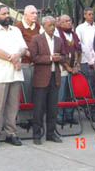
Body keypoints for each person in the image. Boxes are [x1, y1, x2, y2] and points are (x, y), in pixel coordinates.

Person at [0, 5, 27, 148]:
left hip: (15, 74)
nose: (7, 16)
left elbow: (23, 48)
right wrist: (13, 59)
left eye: (8, 13)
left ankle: (11, 133)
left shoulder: (15, 30)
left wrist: (17, 56)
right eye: (4, 14)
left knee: (13, 107)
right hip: (0, 74)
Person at [30, 16, 66, 145]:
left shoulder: (59, 40)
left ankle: (51, 133)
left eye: (54, 25)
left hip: (54, 77)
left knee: (53, 108)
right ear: (44, 26)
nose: (53, 28)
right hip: (41, 78)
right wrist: (50, 58)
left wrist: (59, 58)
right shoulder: (36, 39)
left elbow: (64, 56)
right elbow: (34, 58)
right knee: (39, 108)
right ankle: (37, 135)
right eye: (50, 25)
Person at [56, 14, 81, 125]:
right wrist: (68, 67)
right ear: (60, 23)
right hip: (62, 69)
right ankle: (59, 117)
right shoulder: (57, 34)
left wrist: (77, 66)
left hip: (73, 69)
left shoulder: (74, 35)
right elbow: (58, 53)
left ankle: (69, 115)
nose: (69, 23)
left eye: (70, 20)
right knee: (61, 94)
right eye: (66, 21)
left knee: (71, 94)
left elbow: (79, 52)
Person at [15, 5, 40, 103]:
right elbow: (19, 45)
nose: (35, 15)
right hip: (24, 63)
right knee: (25, 90)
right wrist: (32, 56)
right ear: (25, 15)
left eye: (36, 13)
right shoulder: (18, 26)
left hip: (36, 63)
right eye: (32, 13)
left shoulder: (37, 26)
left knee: (36, 90)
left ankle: (33, 116)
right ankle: (23, 116)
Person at [76, 8, 95, 81]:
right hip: (85, 60)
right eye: (89, 14)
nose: (91, 16)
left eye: (92, 14)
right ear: (84, 15)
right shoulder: (80, 28)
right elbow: (79, 44)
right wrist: (90, 59)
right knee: (88, 81)